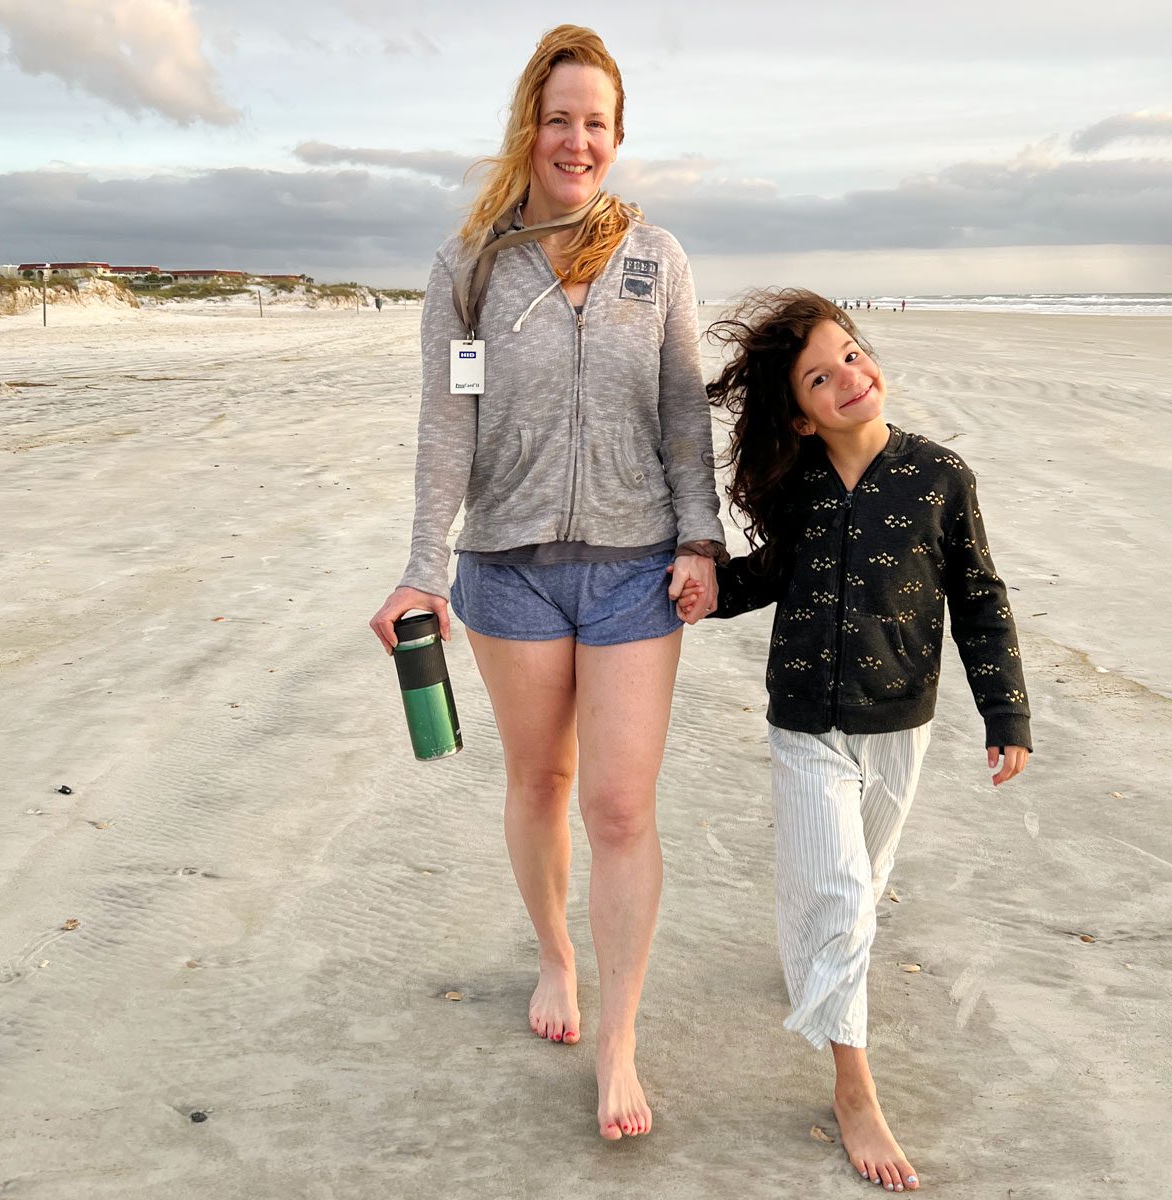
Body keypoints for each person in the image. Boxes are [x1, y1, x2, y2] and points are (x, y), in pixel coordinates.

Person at [369, 25, 725, 1141]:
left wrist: (700, 540)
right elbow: (446, 424)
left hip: (632, 571)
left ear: (619, 138)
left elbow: (680, 412)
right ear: (530, 122)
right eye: (561, 117)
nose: (579, 141)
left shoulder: (654, 259)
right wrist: (423, 568)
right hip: (508, 571)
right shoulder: (468, 266)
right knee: (539, 782)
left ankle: (618, 1038)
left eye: (599, 124)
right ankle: (556, 959)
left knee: (619, 803)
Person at [677, 289, 1031, 1190]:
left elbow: (979, 598)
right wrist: (711, 589)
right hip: (803, 722)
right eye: (821, 376)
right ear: (798, 414)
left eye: (853, 354)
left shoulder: (939, 474)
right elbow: (772, 575)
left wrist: (1007, 714)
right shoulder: (795, 490)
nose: (850, 377)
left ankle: (812, 963)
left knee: (860, 890)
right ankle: (854, 1090)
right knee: (838, 896)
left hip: (898, 722)